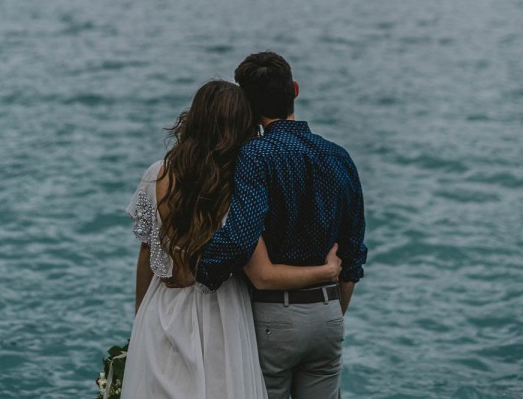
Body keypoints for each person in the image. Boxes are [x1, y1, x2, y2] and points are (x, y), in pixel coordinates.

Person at [122, 80, 343, 399]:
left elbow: (146, 254)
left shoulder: (156, 174)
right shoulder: (238, 187)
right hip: (222, 316)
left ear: (194, 118)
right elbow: (262, 273)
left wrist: (139, 319)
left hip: (160, 310)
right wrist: (326, 272)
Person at [196, 52, 368, 399]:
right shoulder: (339, 156)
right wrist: (332, 311)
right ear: (295, 89)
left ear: (247, 105)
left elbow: (241, 237)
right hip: (328, 314)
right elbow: (353, 252)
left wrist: (201, 270)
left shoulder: (255, 156)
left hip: (274, 316)